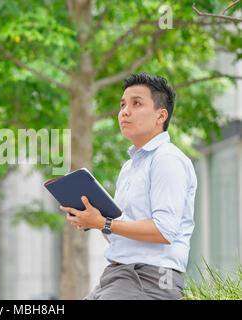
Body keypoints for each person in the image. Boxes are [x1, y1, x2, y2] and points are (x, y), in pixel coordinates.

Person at [59, 73, 197, 300]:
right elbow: (120, 236)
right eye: (123, 104)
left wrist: (104, 222)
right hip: (118, 276)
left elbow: (165, 230)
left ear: (160, 115)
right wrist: (93, 220)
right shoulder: (129, 167)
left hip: (151, 279)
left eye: (136, 103)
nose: (125, 111)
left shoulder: (167, 159)